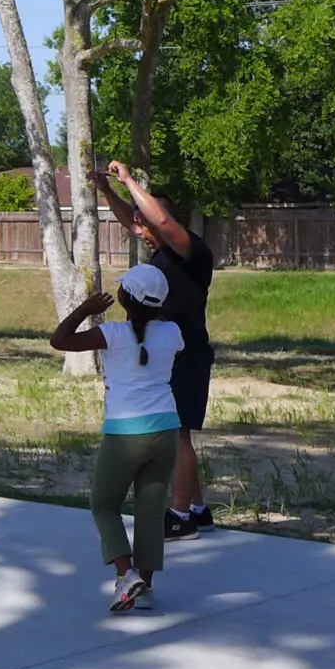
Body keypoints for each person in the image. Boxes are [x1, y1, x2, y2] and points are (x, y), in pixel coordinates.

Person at [50, 262, 183, 613]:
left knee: (104, 505)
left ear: (124, 297)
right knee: (151, 510)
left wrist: (85, 309)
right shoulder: (172, 333)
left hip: (125, 432)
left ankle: (126, 576)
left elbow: (59, 340)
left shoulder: (111, 333)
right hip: (167, 428)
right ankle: (147, 587)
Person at [99, 159, 217, 537]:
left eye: (145, 223)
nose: (139, 230)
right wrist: (106, 191)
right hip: (171, 354)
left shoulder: (191, 252)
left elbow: (162, 223)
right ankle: (197, 510)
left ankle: (180, 517)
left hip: (188, 353)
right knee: (180, 433)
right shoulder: (161, 256)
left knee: (177, 433)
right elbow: (136, 222)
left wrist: (129, 180)